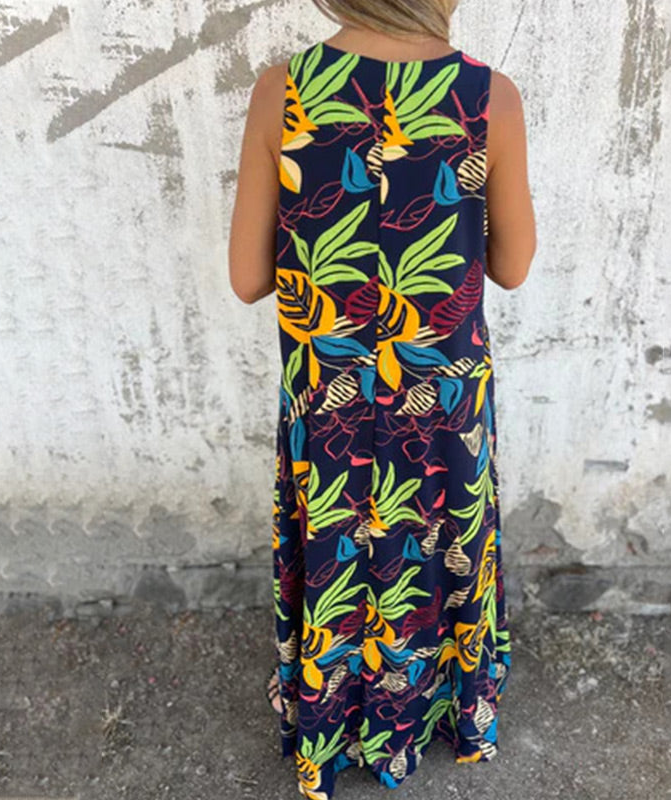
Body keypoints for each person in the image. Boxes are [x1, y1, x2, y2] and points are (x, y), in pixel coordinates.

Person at [229, 1, 535, 797]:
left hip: (330, 397)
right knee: (439, 547)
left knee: (339, 547)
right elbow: (512, 266)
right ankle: (439, 712)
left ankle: (328, 722)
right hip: (439, 398)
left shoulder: (280, 91)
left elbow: (248, 278)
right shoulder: (490, 99)